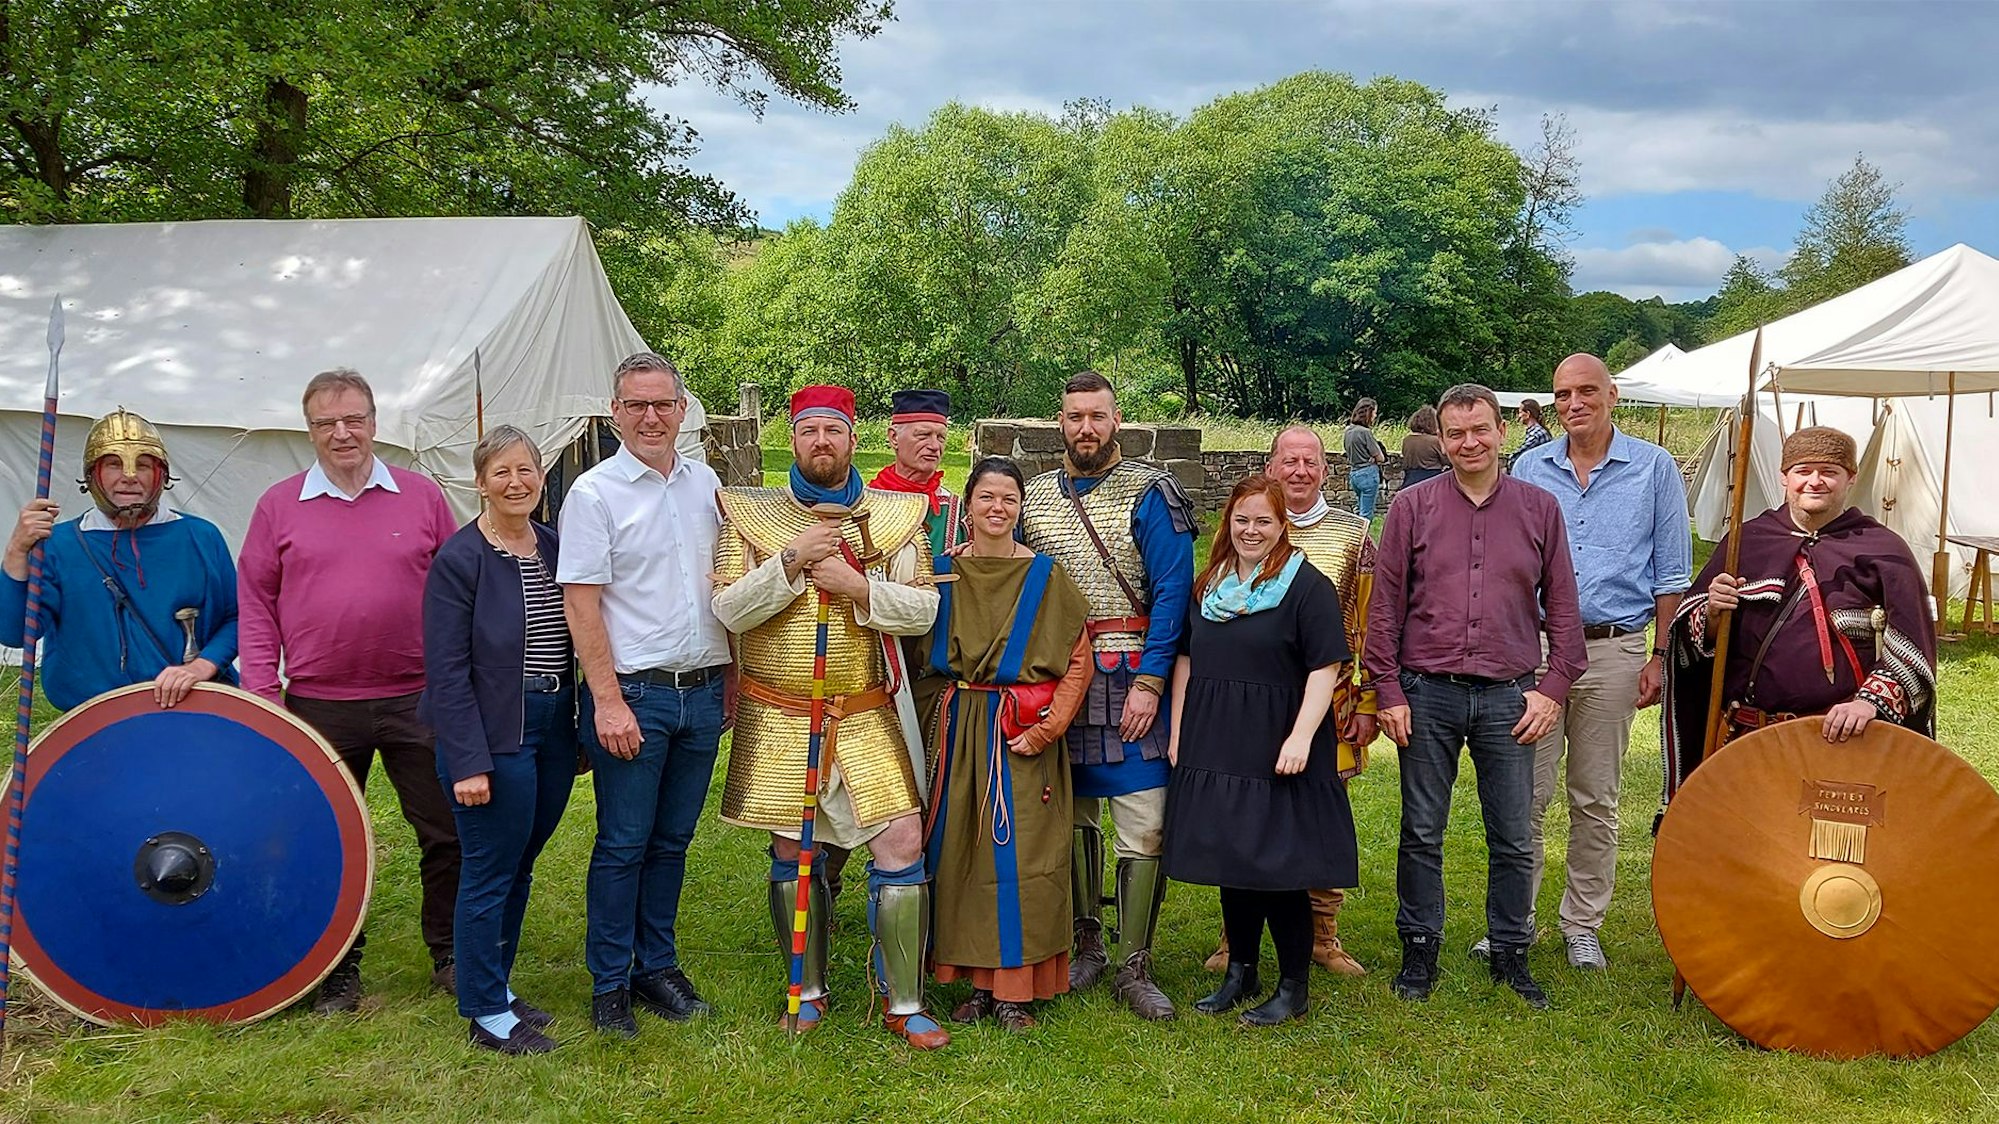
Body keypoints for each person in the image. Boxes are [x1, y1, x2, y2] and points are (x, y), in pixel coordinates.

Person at [711, 384, 949, 1048]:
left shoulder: (897, 515)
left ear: (853, 439)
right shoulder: (747, 514)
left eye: (834, 431)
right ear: (792, 438)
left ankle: (903, 1000)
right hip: (781, 713)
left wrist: (858, 587)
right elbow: (728, 610)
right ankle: (806, 990)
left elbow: (925, 611)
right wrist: (790, 559)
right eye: (810, 430)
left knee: (902, 842)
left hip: (866, 709)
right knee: (795, 851)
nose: (822, 442)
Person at [238, 368, 462, 1013]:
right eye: (326, 423)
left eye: (353, 419)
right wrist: (263, 692)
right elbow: (255, 602)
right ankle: (334, 966)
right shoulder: (279, 506)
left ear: (373, 422)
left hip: (418, 697)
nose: (342, 433)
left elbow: (457, 594)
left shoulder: (421, 497)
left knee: (447, 831)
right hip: (318, 703)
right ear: (309, 430)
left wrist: (460, 681)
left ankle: (453, 953)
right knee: (322, 837)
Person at [1366, 383, 1586, 1011]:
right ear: (1440, 439)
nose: (1470, 443)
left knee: (1513, 833)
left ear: (1502, 431)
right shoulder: (1411, 507)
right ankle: (1419, 948)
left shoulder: (1539, 508)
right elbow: (1385, 607)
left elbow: (1563, 608)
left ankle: (1511, 951)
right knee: (1421, 830)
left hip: (1510, 698)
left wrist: (1552, 687)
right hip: (1425, 692)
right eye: (1456, 433)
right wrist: (1388, 690)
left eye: (1480, 429)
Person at [557, 352, 730, 1038]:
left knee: (672, 841)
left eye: (663, 404)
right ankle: (609, 984)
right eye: (637, 405)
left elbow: (728, 583)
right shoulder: (594, 494)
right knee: (624, 843)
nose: (651, 417)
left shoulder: (705, 483)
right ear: (615, 413)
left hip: (703, 689)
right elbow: (581, 605)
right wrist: (606, 701)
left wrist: (732, 678)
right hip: (636, 693)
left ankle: (655, 966)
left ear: (682, 411)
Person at [1018, 369, 1195, 1021]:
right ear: (1060, 422)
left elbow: (1173, 593)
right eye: (1075, 417)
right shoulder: (1035, 497)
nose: (1085, 428)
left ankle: (1134, 964)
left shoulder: (1151, 490)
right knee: (1072, 819)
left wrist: (1151, 680)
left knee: (1144, 823)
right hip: (1057, 678)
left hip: (1130, 674)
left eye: (1097, 416)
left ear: (1116, 419)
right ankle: (1085, 942)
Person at [1507, 354, 1692, 971]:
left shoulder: (1654, 468)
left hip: (1614, 649)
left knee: (1595, 797)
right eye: (1562, 394)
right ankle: (1516, 919)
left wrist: (1660, 654)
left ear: (1613, 395)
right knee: (1525, 794)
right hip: (1537, 651)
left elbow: (1671, 571)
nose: (1574, 403)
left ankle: (1582, 923)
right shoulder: (1530, 467)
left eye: (1586, 391)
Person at [1166, 475, 1355, 1027]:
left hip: (1278, 741)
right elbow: (1186, 659)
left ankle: (1293, 987)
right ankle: (1240, 971)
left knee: (1280, 863)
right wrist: (1179, 730)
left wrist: (1301, 736)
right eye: (1242, 519)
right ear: (1228, 521)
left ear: (1281, 525)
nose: (1251, 530)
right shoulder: (1210, 586)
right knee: (1233, 856)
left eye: (1263, 521)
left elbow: (1326, 666)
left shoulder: (1306, 586)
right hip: (1215, 736)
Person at [1662, 426, 1936, 798]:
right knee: (1748, 833)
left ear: (1850, 478)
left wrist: (1868, 702)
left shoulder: (1883, 551)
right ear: (1784, 477)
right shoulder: (1746, 541)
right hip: (1749, 740)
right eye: (1803, 470)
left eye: (1829, 472)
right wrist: (1711, 612)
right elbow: (1691, 644)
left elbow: (1912, 645)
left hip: (1843, 742)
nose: (1815, 481)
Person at [917, 457, 1094, 1033]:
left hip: (1020, 735)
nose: (998, 508)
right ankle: (975, 983)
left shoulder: (1045, 576)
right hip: (958, 733)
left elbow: (1078, 660)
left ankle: (1015, 990)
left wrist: (1046, 728)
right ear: (968, 504)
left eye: (1009, 499)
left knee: (1023, 859)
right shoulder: (940, 574)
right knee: (961, 856)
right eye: (987, 497)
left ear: (1021, 508)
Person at [420, 425, 576, 1055]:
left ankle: (498, 985)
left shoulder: (554, 547)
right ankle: (484, 1009)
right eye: (501, 472)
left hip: (552, 726)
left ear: (541, 476)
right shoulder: (460, 560)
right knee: (489, 868)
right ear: (480, 483)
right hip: (493, 730)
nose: (516, 483)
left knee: (521, 861)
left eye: (526, 470)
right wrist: (467, 760)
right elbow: (447, 669)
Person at [1201, 425, 1374, 977]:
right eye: (1289, 461)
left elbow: (1370, 622)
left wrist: (1367, 700)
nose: (1300, 471)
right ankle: (1237, 938)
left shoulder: (1354, 534)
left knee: (1313, 819)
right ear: (1270, 467)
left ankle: (1321, 933)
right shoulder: (1243, 535)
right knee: (1243, 814)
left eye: (1311, 462)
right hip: (1250, 705)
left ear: (1326, 469)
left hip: (1328, 705)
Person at [2, 408, 237, 712]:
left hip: (191, 708)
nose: (129, 476)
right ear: (93, 475)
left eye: (143, 465)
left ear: (161, 474)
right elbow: (15, 633)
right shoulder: (59, 545)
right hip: (93, 716)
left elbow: (237, 618)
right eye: (114, 464)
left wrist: (201, 666)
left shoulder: (200, 537)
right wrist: (17, 550)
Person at [869, 388, 965, 557]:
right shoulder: (866, 503)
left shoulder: (957, 511)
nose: (934, 446)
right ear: (894, 437)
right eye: (923, 435)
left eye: (941, 437)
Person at [1343, 398, 1389, 519]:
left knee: (1359, 508)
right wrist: (1374, 457)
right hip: (1368, 473)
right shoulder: (1365, 432)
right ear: (1368, 413)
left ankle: (1356, 529)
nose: (1375, 416)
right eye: (1374, 413)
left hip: (1354, 473)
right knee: (1366, 513)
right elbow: (1380, 457)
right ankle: (1364, 531)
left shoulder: (1348, 430)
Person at [1399, 407, 1449, 490]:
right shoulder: (1434, 441)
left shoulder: (1407, 440)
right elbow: (1447, 460)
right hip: (1431, 478)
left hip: (1410, 478)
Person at [1510, 399, 1554, 471]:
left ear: (1528, 414)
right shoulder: (1536, 431)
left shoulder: (1537, 433)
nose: (1518, 416)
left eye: (1520, 412)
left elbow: (1518, 456)